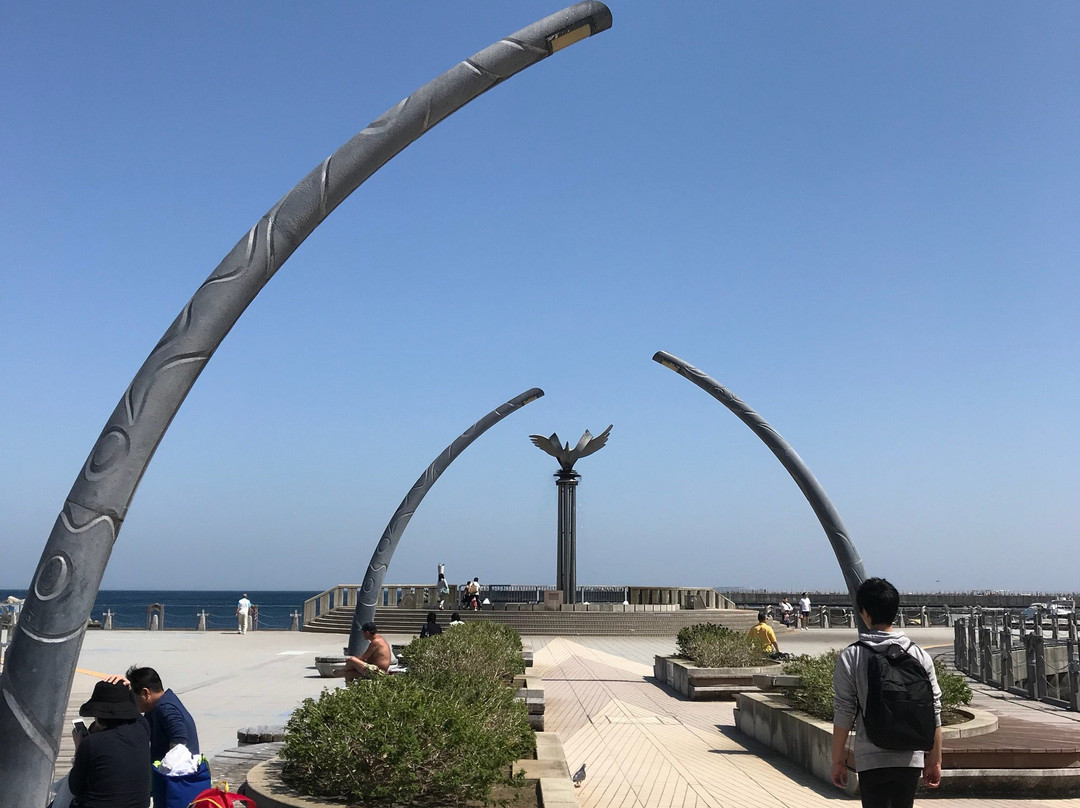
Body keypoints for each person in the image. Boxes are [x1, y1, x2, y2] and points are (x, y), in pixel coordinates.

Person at [831, 577, 942, 808]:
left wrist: (837, 760)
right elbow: (935, 710)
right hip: (910, 756)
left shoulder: (852, 656)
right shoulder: (919, 655)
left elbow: (844, 711)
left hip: (871, 757)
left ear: (864, 613)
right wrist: (935, 760)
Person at [65, 679, 151, 808]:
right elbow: (135, 714)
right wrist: (127, 689)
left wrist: (78, 748)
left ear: (97, 715)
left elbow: (75, 788)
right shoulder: (142, 729)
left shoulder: (91, 743)